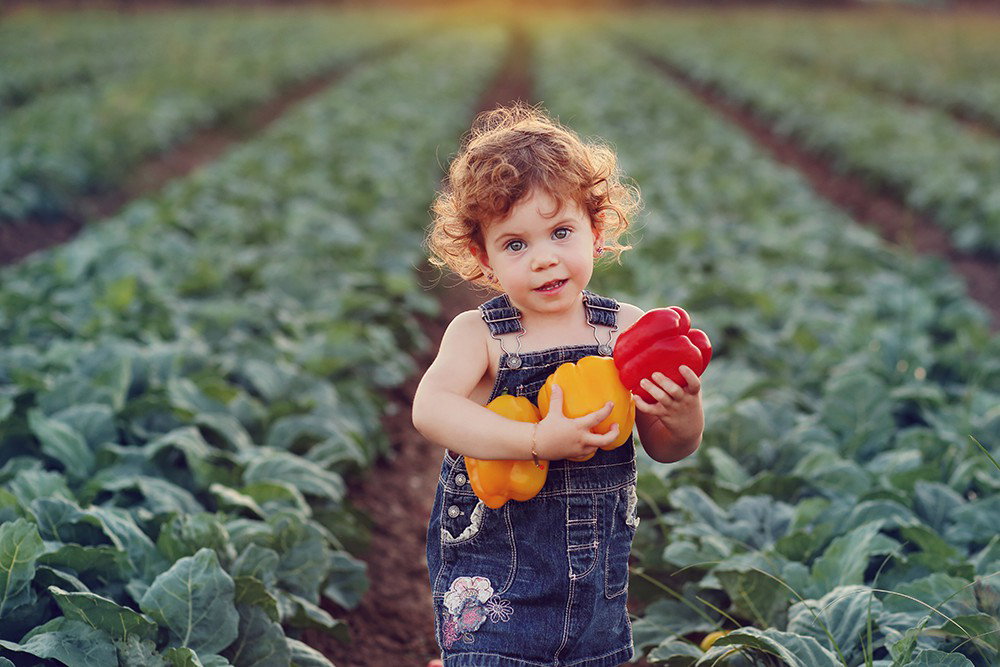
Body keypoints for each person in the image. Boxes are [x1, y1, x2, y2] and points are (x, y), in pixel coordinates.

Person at [412, 104, 704, 667]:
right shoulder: (480, 335)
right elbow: (431, 409)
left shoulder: (624, 329)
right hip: (495, 578)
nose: (544, 259)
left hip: (596, 588)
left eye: (560, 232)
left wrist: (684, 410)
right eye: (516, 244)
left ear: (596, 233)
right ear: (484, 257)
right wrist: (534, 443)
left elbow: (669, 448)